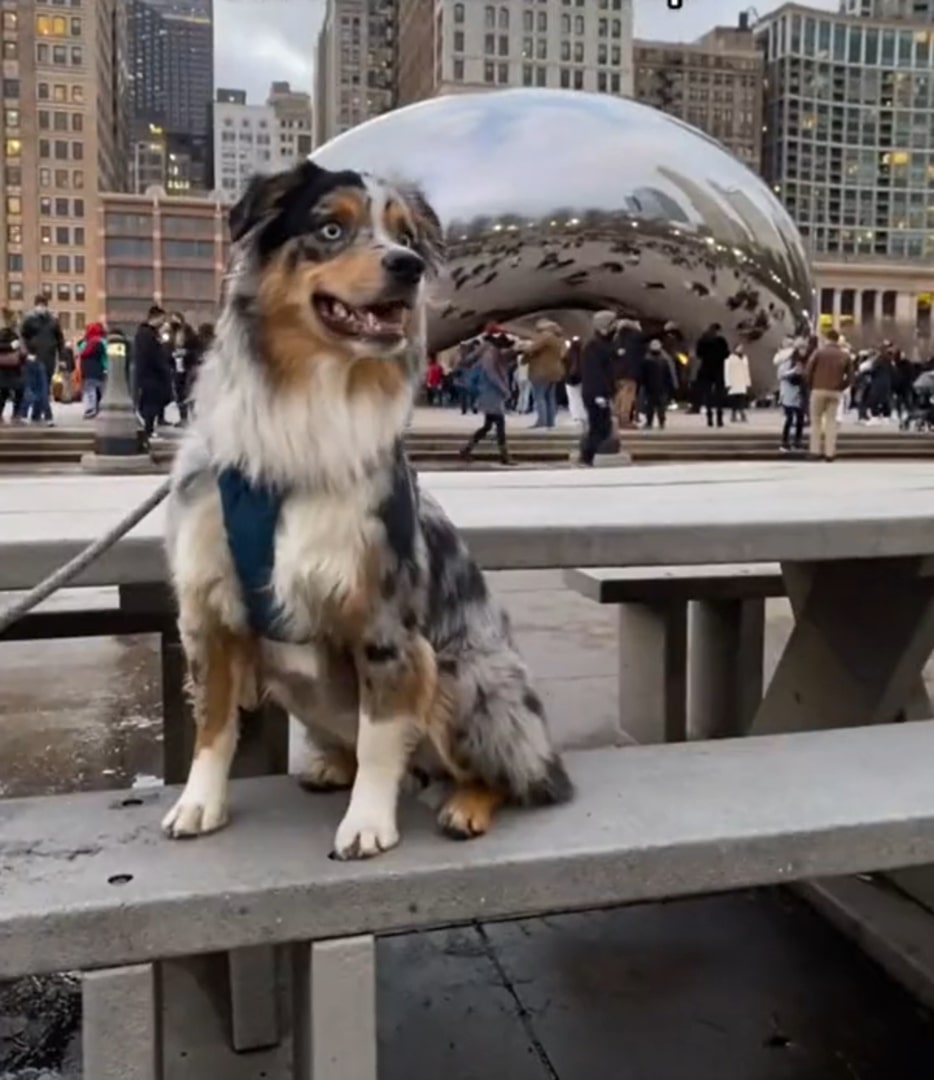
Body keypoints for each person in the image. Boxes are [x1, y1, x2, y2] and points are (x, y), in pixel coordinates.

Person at [459, 327, 513, 465]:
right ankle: (504, 456)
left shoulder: (489, 351)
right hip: (491, 393)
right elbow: (491, 374)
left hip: (490, 392)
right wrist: (504, 389)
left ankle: (467, 449)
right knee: (499, 424)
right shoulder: (490, 353)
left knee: (488, 426)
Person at [805, 328, 851, 462]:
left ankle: (815, 451)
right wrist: (841, 386)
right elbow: (851, 376)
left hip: (818, 389)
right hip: (835, 391)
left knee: (816, 421)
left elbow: (808, 370)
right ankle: (830, 453)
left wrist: (811, 385)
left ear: (827, 339)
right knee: (831, 422)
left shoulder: (819, 353)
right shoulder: (845, 355)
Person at [578, 310, 617, 466]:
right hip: (595, 392)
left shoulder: (603, 344)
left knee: (602, 426)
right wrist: (599, 394)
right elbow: (594, 372)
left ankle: (587, 455)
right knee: (599, 426)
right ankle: (586, 455)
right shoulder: (594, 345)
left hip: (600, 391)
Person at [20, 294, 63, 425]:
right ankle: (45, 415)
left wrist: (61, 357)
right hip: (34, 357)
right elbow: (23, 336)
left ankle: (36, 414)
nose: (41, 307)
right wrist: (27, 353)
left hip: (48, 357)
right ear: (35, 305)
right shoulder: (29, 320)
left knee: (44, 386)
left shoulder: (53, 321)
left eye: (43, 304)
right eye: (39, 304)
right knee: (37, 387)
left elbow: (59, 339)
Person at [133, 304, 173, 440]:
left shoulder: (144, 334)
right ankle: (149, 430)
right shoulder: (148, 335)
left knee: (151, 403)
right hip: (151, 376)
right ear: (155, 318)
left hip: (148, 375)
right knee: (151, 403)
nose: (163, 322)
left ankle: (149, 428)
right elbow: (154, 356)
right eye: (162, 318)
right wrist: (164, 369)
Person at [523, 319, 565, 429]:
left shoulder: (545, 336)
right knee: (550, 397)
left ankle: (542, 421)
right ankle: (550, 422)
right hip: (554, 371)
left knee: (539, 396)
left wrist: (522, 346)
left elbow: (531, 348)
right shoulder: (558, 338)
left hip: (541, 371)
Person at [694, 322, 730, 428]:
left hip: (706, 369)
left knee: (708, 394)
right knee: (719, 394)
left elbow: (698, 354)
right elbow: (726, 354)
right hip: (718, 369)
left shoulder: (703, 340)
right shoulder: (721, 341)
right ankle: (719, 419)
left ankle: (709, 417)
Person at [611, 318, 644, 429]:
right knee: (628, 396)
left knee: (619, 395)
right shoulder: (634, 336)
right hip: (630, 372)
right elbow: (647, 338)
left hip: (617, 373)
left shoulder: (616, 338)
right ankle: (624, 420)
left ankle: (615, 417)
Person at [167, 312, 200, 424]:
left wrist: (186, 353)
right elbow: (167, 348)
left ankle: (191, 416)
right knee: (179, 392)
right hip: (176, 366)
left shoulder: (189, 333)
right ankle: (183, 416)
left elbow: (196, 350)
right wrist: (172, 354)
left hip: (187, 365)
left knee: (188, 391)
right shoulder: (170, 334)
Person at [640, 339, 677, 429]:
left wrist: (642, 384)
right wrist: (672, 386)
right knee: (661, 406)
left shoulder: (647, 359)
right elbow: (669, 374)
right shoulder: (664, 360)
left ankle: (649, 422)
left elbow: (643, 375)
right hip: (662, 387)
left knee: (650, 406)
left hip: (650, 387)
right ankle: (661, 422)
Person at [77, 321, 107, 418]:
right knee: (98, 391)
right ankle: (96, 409)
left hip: (86, 371)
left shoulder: (85, 343)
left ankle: (90, 409)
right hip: (98, 370)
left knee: (89, 391)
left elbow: (80, 354)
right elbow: (104, 358)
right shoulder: (102, 342)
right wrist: (106, 368)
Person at [778, 349, 806, 452]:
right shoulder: (787, 363)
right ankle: (784, 442)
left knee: (800, 419)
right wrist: (794, 371)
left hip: (798, 394)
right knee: (789, 419)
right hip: (788, 394)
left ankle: (797, 442)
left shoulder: (803, 363)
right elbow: (780, 375)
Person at [0, 308, 24, 423]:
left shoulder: (17, 334)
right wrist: (11, 346)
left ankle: (16, 414)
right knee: (5, 392)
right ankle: (15, 414)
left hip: (14, 368)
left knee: (17, 391)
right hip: (6, 368)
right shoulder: (4, 333)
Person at [725, 342, 752, 422]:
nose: (740, 349)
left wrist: (747, 382)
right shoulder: (730, 358)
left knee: (741, 399)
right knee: (734, 400)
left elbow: (746, 370)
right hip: (734, 381)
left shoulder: (745, 358)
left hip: (742, 381)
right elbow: (727, 371)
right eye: (739, 348)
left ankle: (742, 414)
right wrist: (728, 383)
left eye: (741, 348)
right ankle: (734, 415)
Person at [563, 335, 586, 424]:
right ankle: (583, 414)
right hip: (582, 378)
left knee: (573, 398)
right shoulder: (584, 354)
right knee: (581, 397)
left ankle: (576, 415)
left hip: (570, 379)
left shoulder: (567, 354)